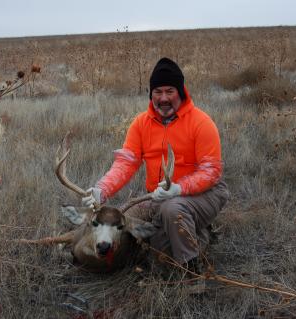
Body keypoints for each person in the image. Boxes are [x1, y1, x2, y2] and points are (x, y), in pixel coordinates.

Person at [82, 57, 229, 272]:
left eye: (170, 91)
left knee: (172, 210)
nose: (163, 98)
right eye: (158, 92)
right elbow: (126, 163)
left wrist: (179, 188)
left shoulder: (201, 122)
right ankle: (198, 234)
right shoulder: (141, 124)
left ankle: (191, 271)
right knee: (128, 227)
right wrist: (102, 190)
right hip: (158, 196)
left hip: (205, 193)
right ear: (151, 94)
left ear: (181, 91)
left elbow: (211, 171)